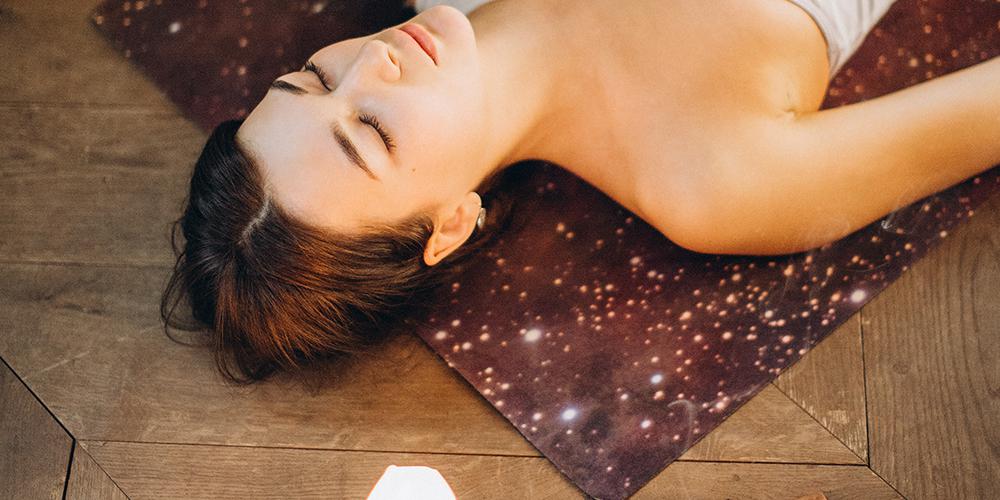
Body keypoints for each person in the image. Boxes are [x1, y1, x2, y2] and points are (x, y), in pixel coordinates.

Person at [162, 0, 1000, 384]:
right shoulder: (712, 181)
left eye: (313, 77)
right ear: (449, 226)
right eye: (373, 131)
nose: (370, 63)